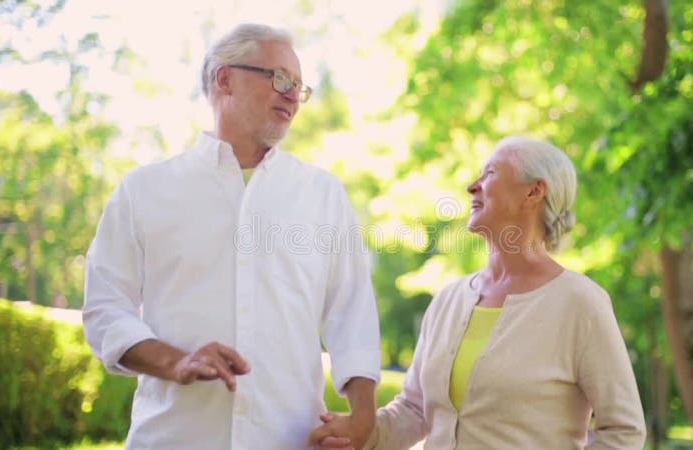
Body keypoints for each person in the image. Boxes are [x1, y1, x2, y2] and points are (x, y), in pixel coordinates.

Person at [83, 23, 381, 450]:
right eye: (280, 78)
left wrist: (363, 418)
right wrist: (176, 361)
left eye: (299, 86)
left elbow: (352, 314)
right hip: (172, 439)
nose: (293, 95)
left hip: (290, 441)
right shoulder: (143, 191)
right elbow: (105, 308)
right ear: (225, 79)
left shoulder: (322, 194)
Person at [314, 136, 646, 449]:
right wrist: (360, 434)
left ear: (534, 192)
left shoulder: (579, 303)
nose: (472, 186)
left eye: (489, 173)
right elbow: (415, 410)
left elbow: (624, 430)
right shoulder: (449, 299)